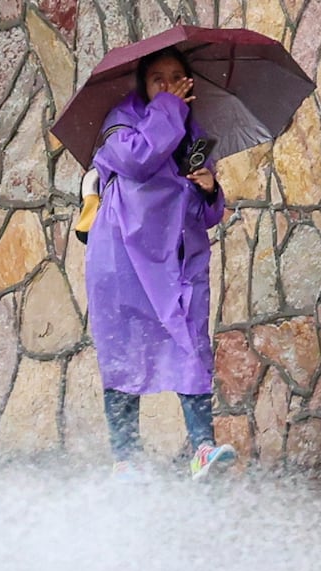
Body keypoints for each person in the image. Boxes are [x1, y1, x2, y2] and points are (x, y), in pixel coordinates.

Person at [86, 47, 235, 481]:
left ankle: (202, 448)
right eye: (158, 79)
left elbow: (204, 213)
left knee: (191, 345)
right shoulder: (120, 122)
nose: (168, 86)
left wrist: (209, 189)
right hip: (123, 260)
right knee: (123, 351)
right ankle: (126, 459)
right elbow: (137, 160)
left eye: (176, 77)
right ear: (143, 85)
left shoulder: (193, 133)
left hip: (177, 262)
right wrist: (169, 107)